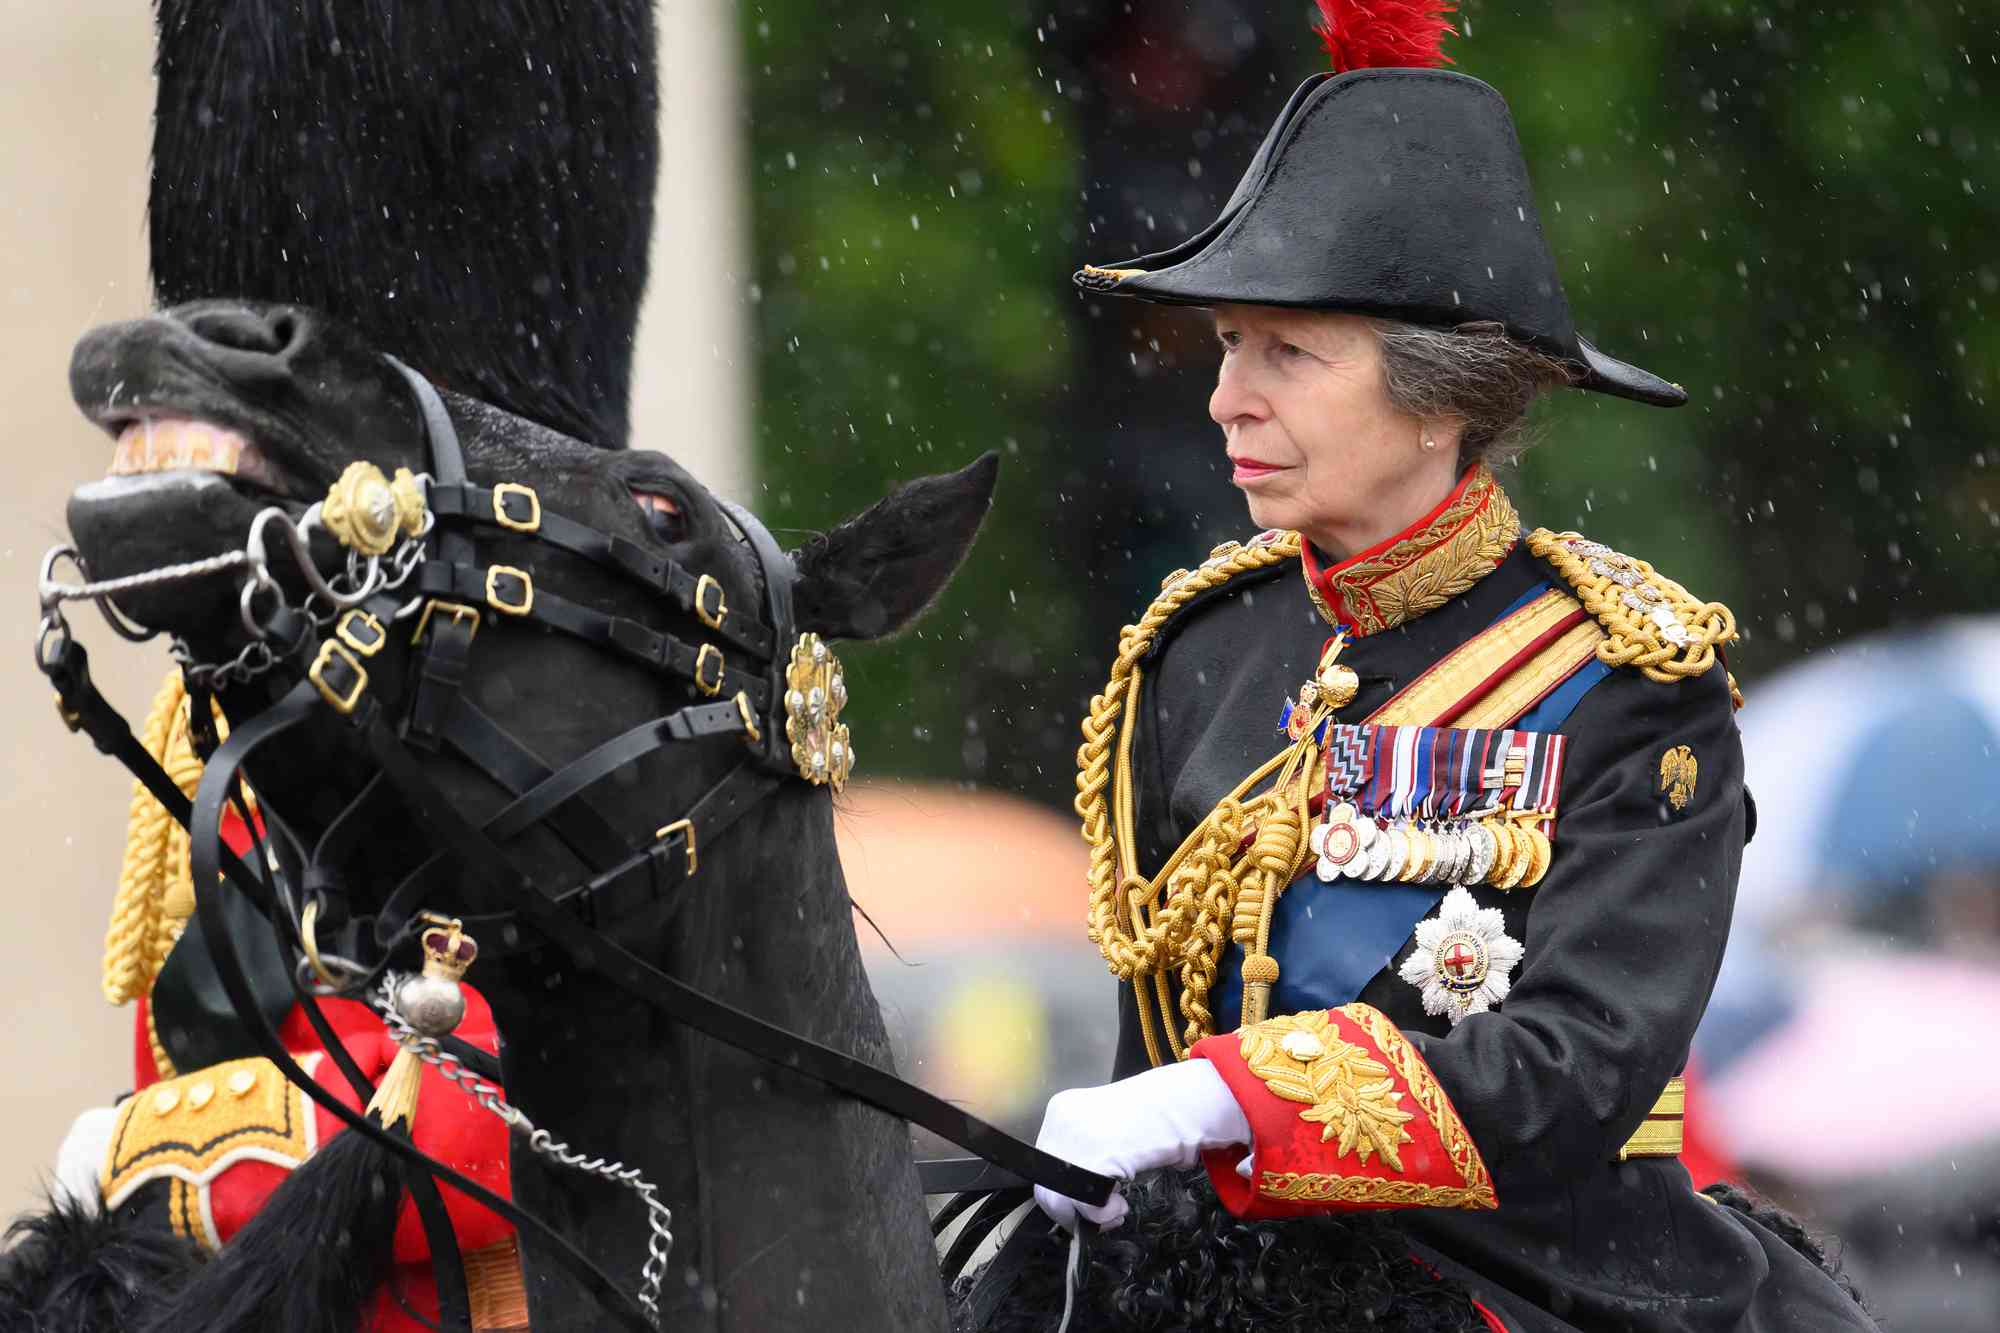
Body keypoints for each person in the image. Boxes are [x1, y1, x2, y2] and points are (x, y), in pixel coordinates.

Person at [1032, 5, 1876, 1330]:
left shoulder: (1628, 677)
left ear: (1441, 398)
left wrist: (1228, 1096)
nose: (1226, 398)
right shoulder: (1196, 650)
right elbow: (1153, 1034)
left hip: (1542, 1285)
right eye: (1227, 348)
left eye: (1287, 353)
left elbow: (1581, 1065)